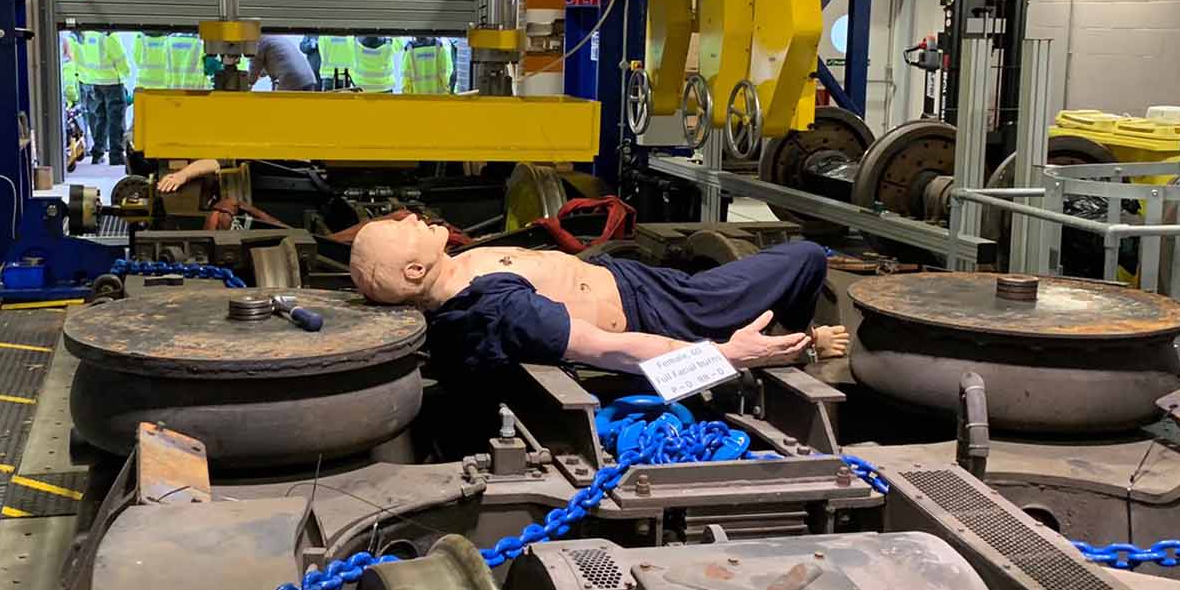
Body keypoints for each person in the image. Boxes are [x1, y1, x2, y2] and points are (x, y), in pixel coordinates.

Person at [349, 213, 849, 375]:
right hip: (668, 312)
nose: (410, 217)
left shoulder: (457, 271)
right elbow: (611, 350)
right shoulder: (494, 308)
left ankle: (783, 340)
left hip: (648, 284)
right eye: (402, 227)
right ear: (415, 270)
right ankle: (794, 350)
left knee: (800, 258)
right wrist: (727, 358)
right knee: (805, 255)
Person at [71, 30, 131, 165]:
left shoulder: (83, 35)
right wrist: (126, 74)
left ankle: (97, 153)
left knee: (100, 118)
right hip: (112, 83)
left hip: (93, 82)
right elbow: (121, 61)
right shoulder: (109, 36)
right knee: (115, 120)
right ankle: (116, 156)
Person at [247, 33, 319, 91]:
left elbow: (255, 66)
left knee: (281, 107)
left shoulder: (259, 41)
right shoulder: (273, 37)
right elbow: (276, 63)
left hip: (293, 81)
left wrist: (248, 84)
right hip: (308, 79)